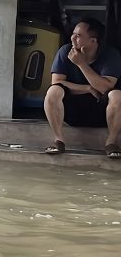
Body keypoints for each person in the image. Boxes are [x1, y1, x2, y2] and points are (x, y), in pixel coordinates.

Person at [43, 18, 121, 158]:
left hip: (101, 113)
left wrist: (81, 64)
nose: (73, 38)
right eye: (73, 34)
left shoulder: (110, 54)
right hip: (73, 111)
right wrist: (87, 88)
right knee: (53, 91)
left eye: (78, 36)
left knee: (117, 95)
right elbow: (57, 82)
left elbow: (105, 87)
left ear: (93, 41)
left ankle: (111, 142)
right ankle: (58, 140)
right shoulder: (65, 51)